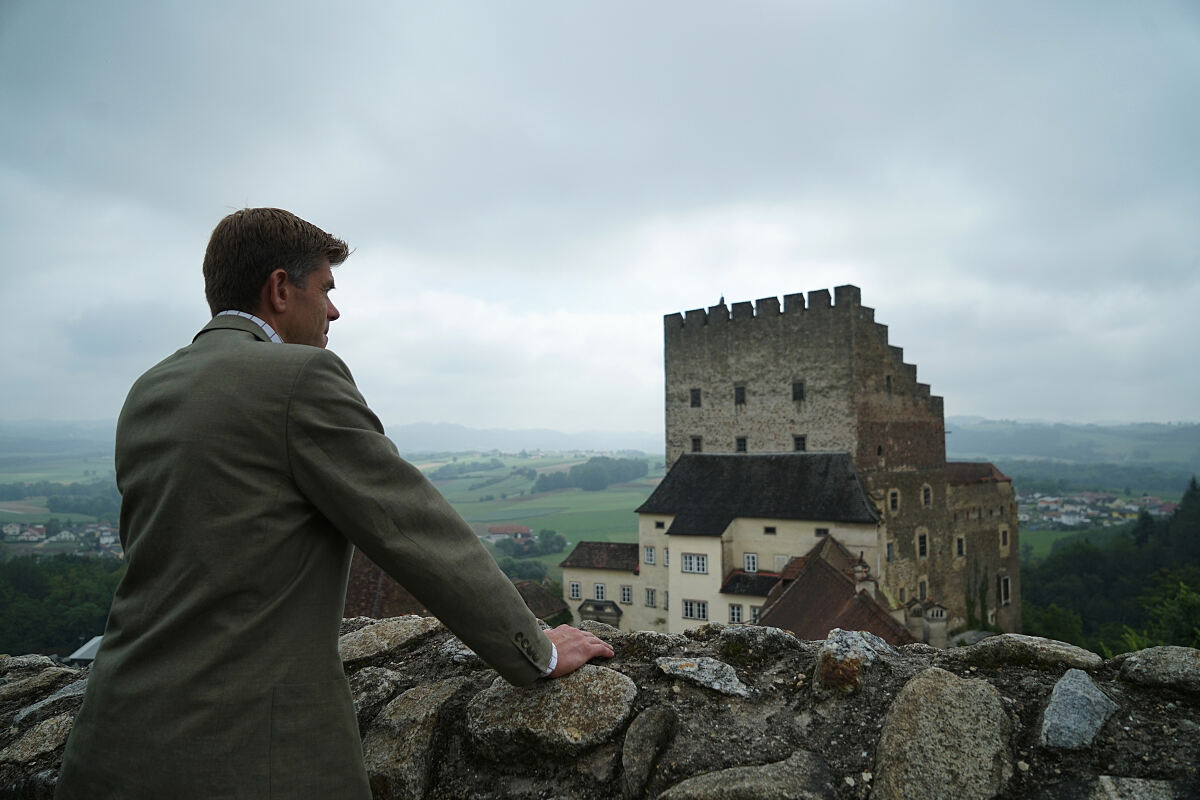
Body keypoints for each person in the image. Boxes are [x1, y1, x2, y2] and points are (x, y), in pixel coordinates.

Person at [55, 208, 613, 799]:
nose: (334, 311)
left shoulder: (150, 388)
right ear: (278, 288)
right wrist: (539, 651)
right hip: (248, 758)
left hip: (108, 743)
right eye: (325, 289)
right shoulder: (300, 378)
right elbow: (414, 528)